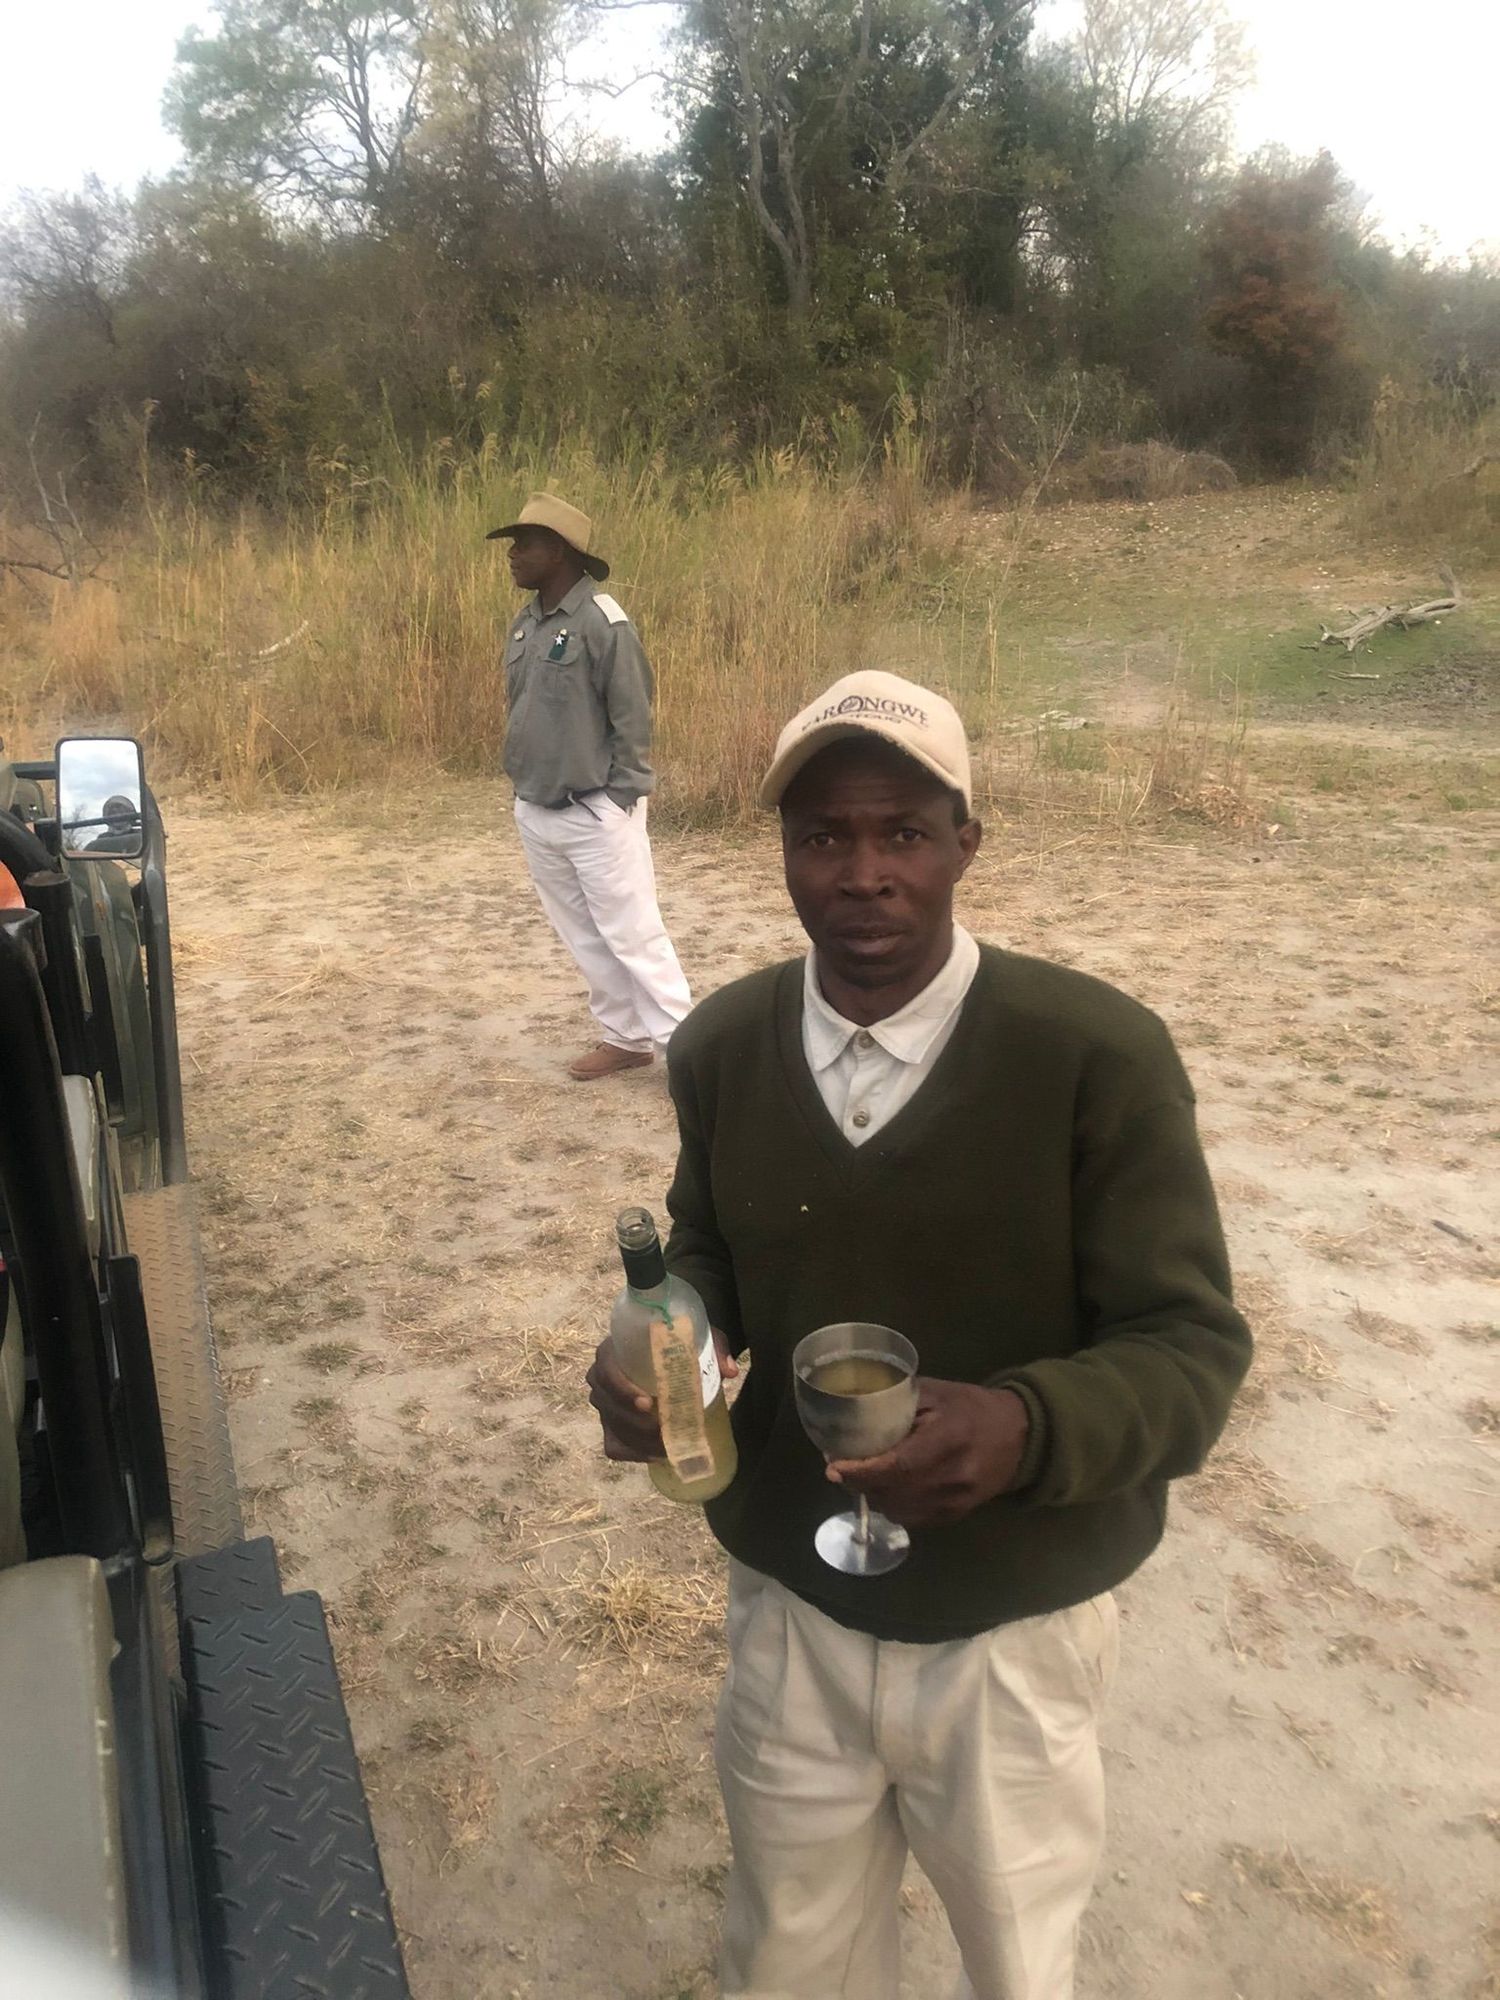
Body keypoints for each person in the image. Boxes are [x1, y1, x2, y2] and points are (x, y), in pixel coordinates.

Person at [587, 669, 1253, 2000]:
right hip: (794, 1611)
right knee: (791, 1955)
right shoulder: (722, 1046)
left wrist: (1026, 1428)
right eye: (823, 835)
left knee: (1017, 1958)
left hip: (1011, 1625)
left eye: (903, 831)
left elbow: (1189, 1349)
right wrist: (669, 1344)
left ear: (966, 843)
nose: (864, 873)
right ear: (784, 854)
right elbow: (709, 1242)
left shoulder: (1096, 1058)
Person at [490, 492, 692, 1081]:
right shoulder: (527, 623)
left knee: (635, 936)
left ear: (557, 551)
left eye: (524, 545)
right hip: (537, 807)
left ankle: (689, 1059)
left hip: (595, 809)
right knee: (582, 934)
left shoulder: (603, 622)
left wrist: (620, 797)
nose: (512, 555)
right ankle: (625, 1037)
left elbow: (633, 714)